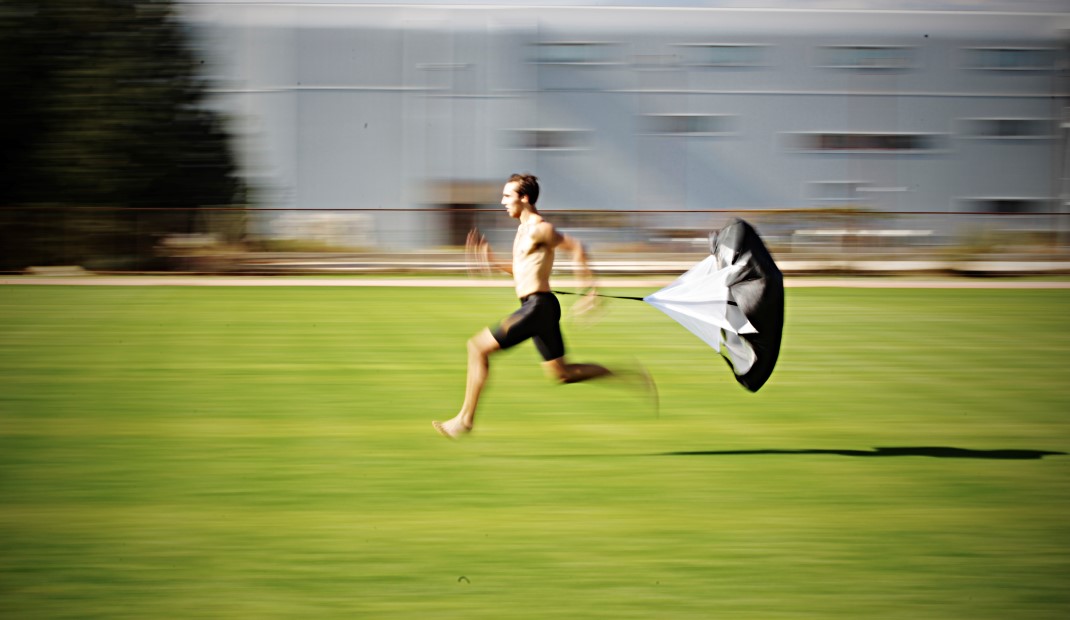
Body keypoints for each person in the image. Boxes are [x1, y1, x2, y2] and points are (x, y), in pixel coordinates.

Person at [433, 173, 633, 439]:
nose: (503, 201)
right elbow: (522, 272)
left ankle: (464, 420)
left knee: (477, 348)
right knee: (562, 373)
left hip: (539, 307)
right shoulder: (522, 230)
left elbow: (576, 247)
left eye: (507, 196)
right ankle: (624, 373)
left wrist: (590, 289)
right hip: (538, 306)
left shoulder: (540, 228)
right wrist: (492, 262)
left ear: (524, 198)